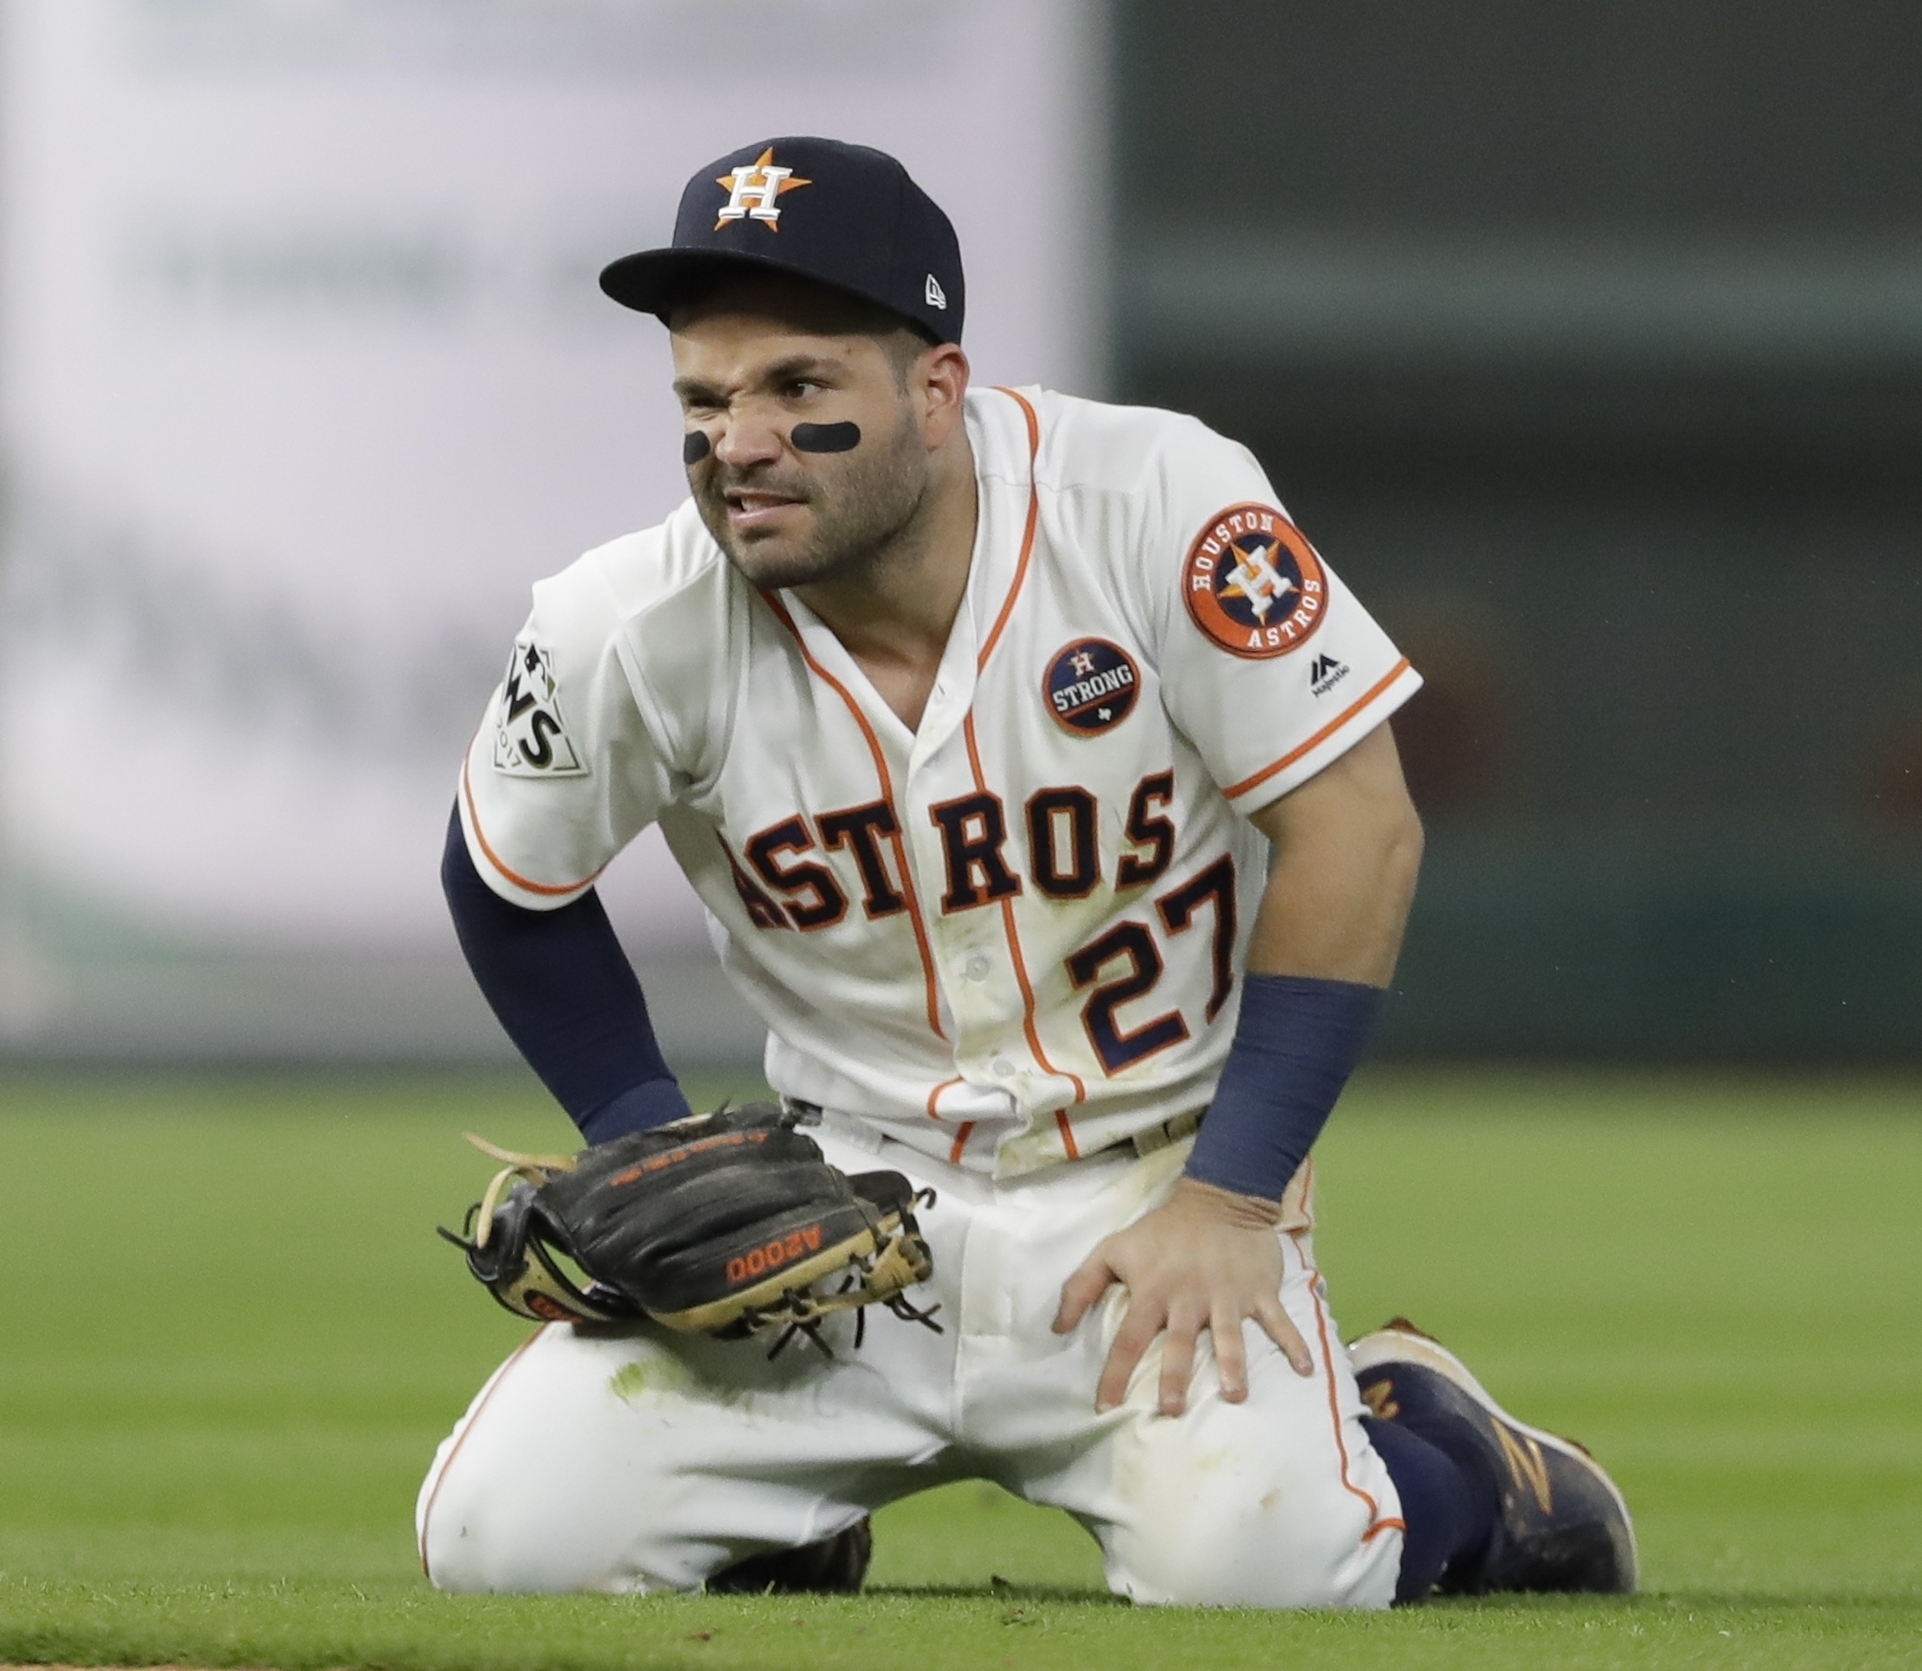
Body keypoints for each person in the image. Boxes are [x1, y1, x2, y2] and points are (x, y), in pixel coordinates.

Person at [419, 137, 1635, 1607]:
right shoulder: (626, 619)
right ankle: (784, 1526)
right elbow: (507, 878)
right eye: (703, 397)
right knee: (510, 1548)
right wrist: (646, 1139)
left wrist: (1236, 1201)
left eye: (799, 391)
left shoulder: (1154, 504)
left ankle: (1451, 1453)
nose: (737, 439)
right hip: (842, 1227)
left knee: (1265, 1579)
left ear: (937, 391)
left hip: (1153, 1189)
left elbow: (1359, 824)